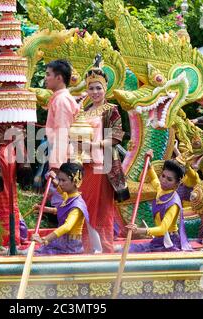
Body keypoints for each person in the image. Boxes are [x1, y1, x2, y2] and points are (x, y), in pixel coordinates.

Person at [77, 57, 129, 253]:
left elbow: (116, 137)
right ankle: (88, 247)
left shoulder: (111, 110)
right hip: (85, 165)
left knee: (103, 208)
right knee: (86, 206)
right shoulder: (85, 111)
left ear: (105, 88)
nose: (95, 92)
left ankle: (106, 248)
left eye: (98, 88)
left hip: (103, 164)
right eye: (91, 88)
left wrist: (95, 144)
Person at [127, 150, 192, 252]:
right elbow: (154, 180)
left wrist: (138, 230)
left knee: (133, 250)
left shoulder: (173, 204)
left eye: (169, 179)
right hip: (159, 239)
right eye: (163, 176)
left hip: (169, 242)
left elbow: (162, 229)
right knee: (127, 249)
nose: (163, 180)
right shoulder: (161, 190)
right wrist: (147, 162)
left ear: (177, 184)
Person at [31, 162, 102, 254]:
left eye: (63, 181)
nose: (60, 183)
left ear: (75, 182)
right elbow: (62, 207)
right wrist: (43, 208)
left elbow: (67, 227)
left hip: (70, 247)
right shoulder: (70, 197)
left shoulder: (77, 205)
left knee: (36, 253)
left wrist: (45, 239)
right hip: (62, 242)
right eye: (59, 180)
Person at [43, 60, 80, 172]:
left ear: (59, 78)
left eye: (48, 74)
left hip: (62, 159)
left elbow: (62, 133)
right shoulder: (60, 98)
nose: (45, 78)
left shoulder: (61, 100)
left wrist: (56, 165)